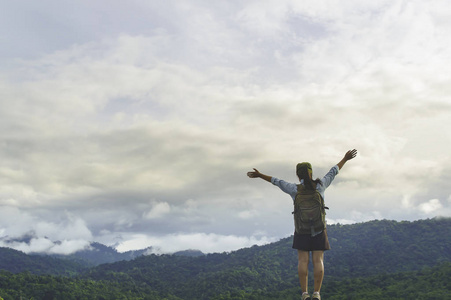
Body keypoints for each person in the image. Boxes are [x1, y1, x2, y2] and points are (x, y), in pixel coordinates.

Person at [247, 149, 357, 300]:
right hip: (319, 229)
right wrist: (345, 158)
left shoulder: (294, 189)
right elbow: (333, 171)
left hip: (301, 230)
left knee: (302, 261)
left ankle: (304, 293)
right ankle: (317, 293)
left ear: (298, 175)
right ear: (311, 173)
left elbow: (276, 181)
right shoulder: (321, 185)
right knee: (318, 260)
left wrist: (260, 175)